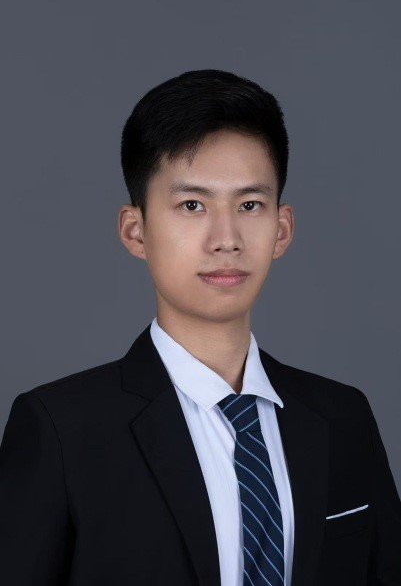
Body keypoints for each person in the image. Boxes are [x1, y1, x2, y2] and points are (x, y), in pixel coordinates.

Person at [0, 69, 400, 586]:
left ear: (282, 229)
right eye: (192, 205)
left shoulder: (343, 417)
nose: (226, 238)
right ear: (135, 230)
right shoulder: (61, 430)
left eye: (250, 205)